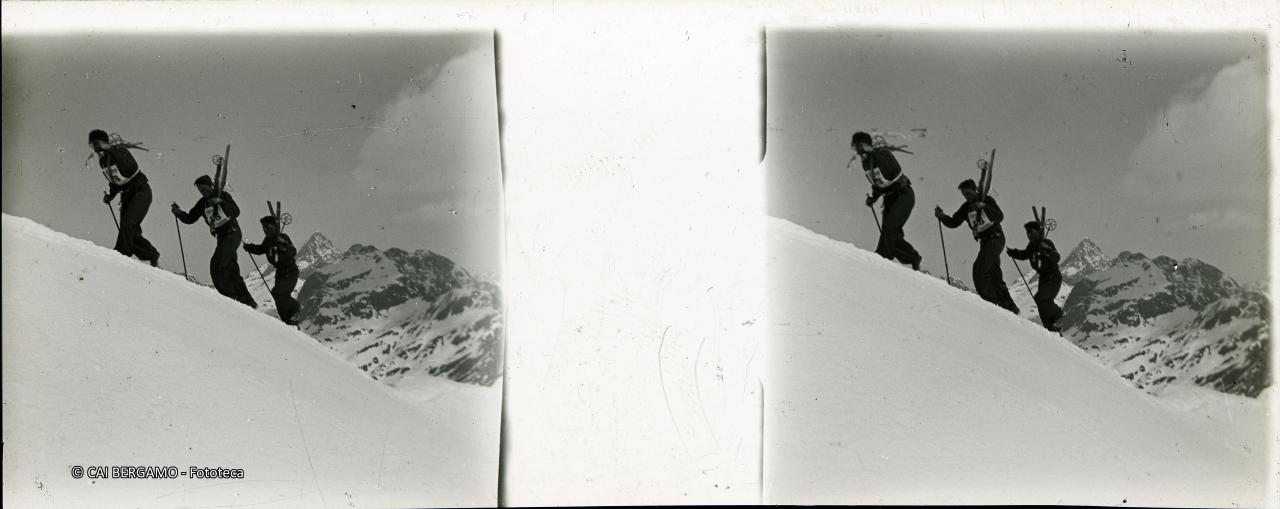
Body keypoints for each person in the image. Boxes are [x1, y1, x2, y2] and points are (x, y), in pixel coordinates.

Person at [934, 179, 1019, 314]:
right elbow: (954, 222)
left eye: (968, 193)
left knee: (979, 269)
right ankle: (1009, 307)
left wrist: (984, 207)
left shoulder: (987, 200)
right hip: (985, 242)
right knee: (993, 273)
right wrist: (942, 216)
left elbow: (999, 216)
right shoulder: (966, 207)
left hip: (996, 239)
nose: (966, 197)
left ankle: (993, 301)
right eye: (964, 194)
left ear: (975, 190)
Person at [171, 176, 257, 308]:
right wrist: (178, 213)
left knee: (217, 265)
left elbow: (236, 211)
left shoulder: (223, 195)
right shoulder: (202, 203)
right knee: (230, 268)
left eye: (205, 189)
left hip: (232, 234)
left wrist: (221, 203)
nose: (203, 193)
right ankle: (247, 301)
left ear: (211, 186)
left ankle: (229, 296)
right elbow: (190, 218)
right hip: (222, 237)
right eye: (201, 191)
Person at [853, 131, 922, 270]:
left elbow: (892, 172)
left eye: (860, 146)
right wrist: (873, 198)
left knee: (889, 228)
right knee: (891, 233)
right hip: (891, 198)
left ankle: (882, 258)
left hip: (903, 195)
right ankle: (912, 257)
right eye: (855, 147)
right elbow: (878, 184)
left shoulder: (882, 154)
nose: (858, 151)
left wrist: (874, 152)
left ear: (867, 145)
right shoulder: (866, 163)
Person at [90, 129, 160, 266]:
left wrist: (111, 149)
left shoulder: (120, 152)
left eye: (99, 145)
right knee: (128, 229)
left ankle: (121, 254)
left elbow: (130, 166)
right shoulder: (103, 161)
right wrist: (111, 195)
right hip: (127, 194)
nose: (97, 150)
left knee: (128, 224)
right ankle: (150, 253)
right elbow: (115, 181)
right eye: (94, 146)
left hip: (141, 191)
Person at [243, 215, 301, 325]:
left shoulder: (283, 237)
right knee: (277, 295)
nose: (265, 230)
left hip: (290, 271)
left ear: (274, 226)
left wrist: (283, 245)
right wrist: (250, 247)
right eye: (264, 228)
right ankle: (288, 321)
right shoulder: (268, 241)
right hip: (280, 272)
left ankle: (296, 307)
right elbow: (261, 249)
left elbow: (292, 251)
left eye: (267, 227)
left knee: (279, 293)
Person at [1007, 221, 1063, 332]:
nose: (1029, 235)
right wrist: (1013, 253)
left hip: (1053, 277)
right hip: (1044, 278)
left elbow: (1056, 257)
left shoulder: (1046, 243)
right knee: (1040, 303)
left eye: (1031, 232)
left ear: (1038, 232)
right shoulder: (1032, 246)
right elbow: (1024, 255)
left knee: (1041, 298)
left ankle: (1058, 314)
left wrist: (1047, 251)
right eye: (1027, 233)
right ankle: (1051, 327)